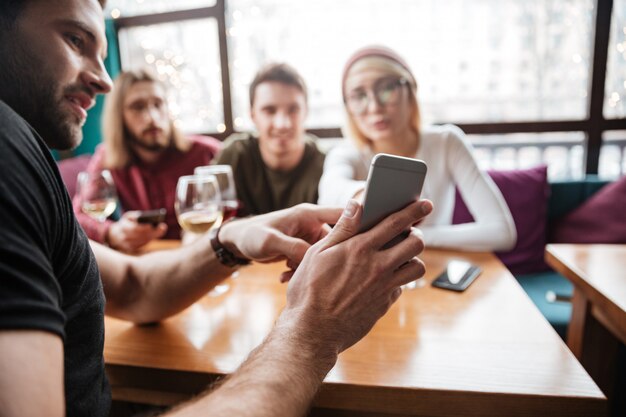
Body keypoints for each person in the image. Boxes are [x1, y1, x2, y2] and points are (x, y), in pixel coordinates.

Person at [0, 2, 432, 417]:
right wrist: (313, 329)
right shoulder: (9, 157)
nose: (104, 80)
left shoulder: (26, 155)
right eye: (75, 39)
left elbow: (134, 288)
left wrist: (230, 239)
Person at [319, 46, 516, 252]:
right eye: (359, 96)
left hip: (434, 270)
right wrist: (363, 194)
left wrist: (407, 236)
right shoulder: (345, 153)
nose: (375, 106)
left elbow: (501, 232)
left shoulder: (446, 142)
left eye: (386, 89)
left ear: (410, 90)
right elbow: (329, 194)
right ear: (347, 107)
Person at [73, 69, 222, 252]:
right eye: (138, 107)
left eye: (158, 104)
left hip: (204, 255)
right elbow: (77, 215)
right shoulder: (107, 157)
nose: (152, 117)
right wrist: (111, 232)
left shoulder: (207, 152)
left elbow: (240, 209)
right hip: (145, 261)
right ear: (120, 117)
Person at [214, 63, 325, 215]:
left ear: (306, 112)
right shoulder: (235, 154)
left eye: (293, 110)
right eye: (269, 111)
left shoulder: (326, 163)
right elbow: (194, 235)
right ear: (253, 115)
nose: (282, 124)